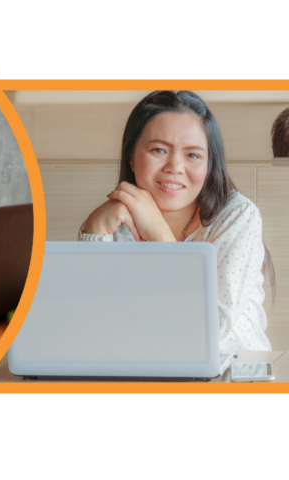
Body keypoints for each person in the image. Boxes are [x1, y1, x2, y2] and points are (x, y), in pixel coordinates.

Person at [79, 90, 272, 353]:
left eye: (192, 155)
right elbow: (88, 325)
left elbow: (210, 329)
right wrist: (94, 232)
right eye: (159, 149)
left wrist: (158, 233)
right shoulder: (117, 221)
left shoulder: (238, 216)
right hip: (145, 372)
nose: (175, 166)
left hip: (232, 379)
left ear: (208, 165)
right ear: (131, 158)